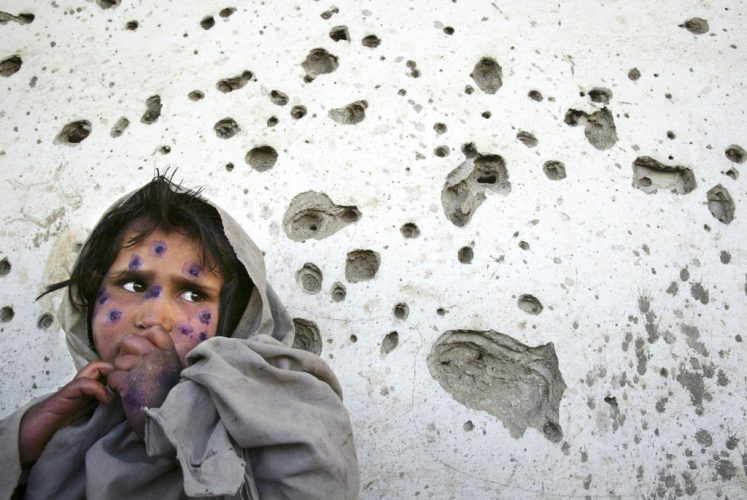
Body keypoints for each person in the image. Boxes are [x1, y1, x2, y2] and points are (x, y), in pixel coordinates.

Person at [0, 173, 359, 499]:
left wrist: (173, 412)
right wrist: (18, 447)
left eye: (193, 294)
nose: (154, 316)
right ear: (89, 299)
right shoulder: (60, 423)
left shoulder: (287, 407)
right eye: (133, 284)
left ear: (235, 320)